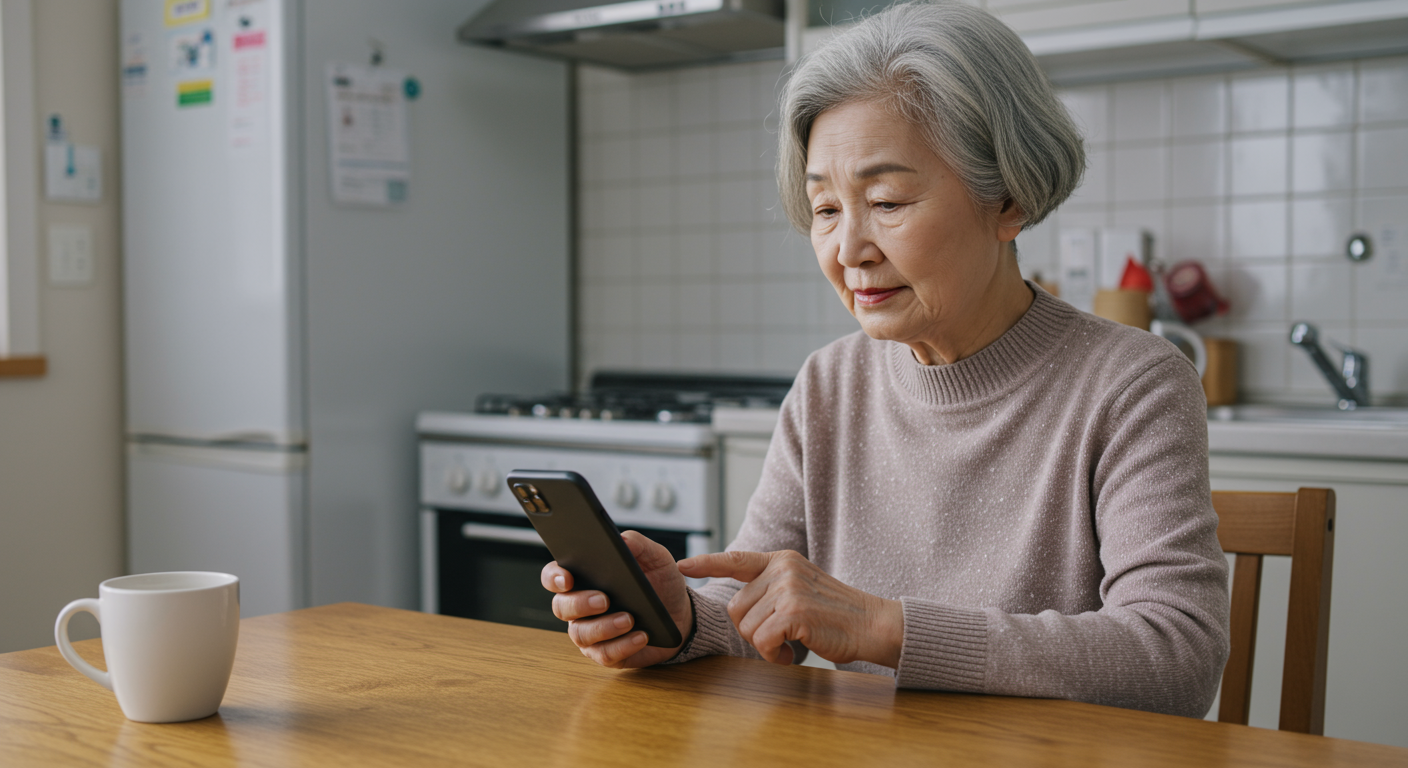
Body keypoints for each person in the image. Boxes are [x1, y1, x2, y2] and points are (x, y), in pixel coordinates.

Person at [541, 0, 1229, 718]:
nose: (849, 251)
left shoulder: (1133, 383)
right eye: (826, 210)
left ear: (1009, 198)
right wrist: (677, 619)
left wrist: (880, 626)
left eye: (888, 201)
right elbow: (754, 610)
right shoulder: (829, 384)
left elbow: (1176, 656)